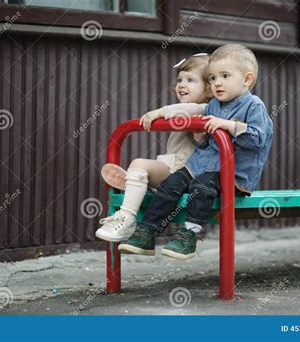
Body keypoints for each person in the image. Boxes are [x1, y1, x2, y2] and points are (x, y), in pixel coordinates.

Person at [118, 44, 274, 260]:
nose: (217, 83)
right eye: (212, 78)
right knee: (169, 184)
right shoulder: (214, 106)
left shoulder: (253, 106)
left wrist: (228, 126)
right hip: (201, 165)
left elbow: (258, 139)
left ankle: (189, 236)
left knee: (201, 187)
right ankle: (147, 232)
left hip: (232, 175)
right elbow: (196, 119)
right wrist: (190, 131)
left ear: (247, 79)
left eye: (225, 76)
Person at [95, 53, 212, 242]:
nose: (182, 84)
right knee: (140, 168)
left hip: (188, 175)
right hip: (174, 169)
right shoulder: (189, 111)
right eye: (180, 79)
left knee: (139, 164)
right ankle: (139, 183)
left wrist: (158, 113)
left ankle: (127, 215)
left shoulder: (204, 109)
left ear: (208, 88)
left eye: (190, 80)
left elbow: (181, 111)